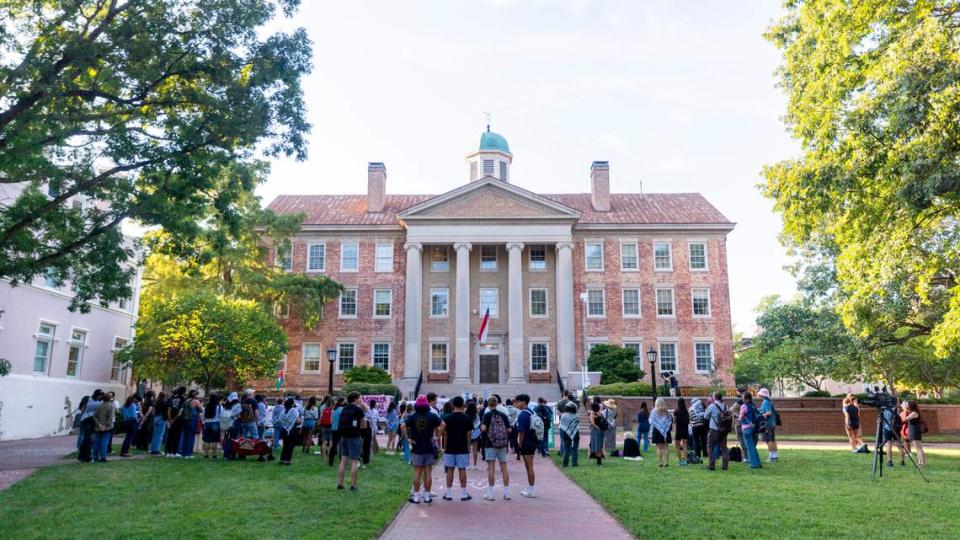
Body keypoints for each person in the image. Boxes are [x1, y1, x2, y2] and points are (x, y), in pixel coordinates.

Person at [403, 395, 441, 503]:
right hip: (429, 447)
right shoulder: (432, 416)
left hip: (417, 447)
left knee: (417, 473)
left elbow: (402, 426)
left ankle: (415, 496)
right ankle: (427, 496)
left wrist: (408, 439)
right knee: (428, 473)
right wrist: (437, 437)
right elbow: (442, 424)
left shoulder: (413, 416)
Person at [439, 396, 473, 501]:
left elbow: (444, 434)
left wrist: (443, 446)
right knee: (462, 469)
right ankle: (463, 493)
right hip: (462, 447)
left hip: (450, 447)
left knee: (450, 470)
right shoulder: (467, 418)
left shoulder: (447, 418)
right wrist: (469, 446)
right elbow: (469, 434)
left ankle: (448, 493)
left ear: (453, 405)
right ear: (463, 405)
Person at [481, 396, 512, 500]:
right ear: (497, 404)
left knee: (491, 468)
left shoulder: (487, 415)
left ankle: (491, 493)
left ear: (488, 405)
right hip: (502, 444)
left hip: (490, 444)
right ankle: (507, 493)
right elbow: (509, 430)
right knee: (504, 468)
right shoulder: (502, 415)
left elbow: (484, 428)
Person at [337, 393, 366, 490]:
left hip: (343, 436)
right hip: (354, 437)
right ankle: (353, 485)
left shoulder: (344, 408)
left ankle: (340, 483)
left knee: (343, 460)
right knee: (354, 461)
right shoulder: (358, 410)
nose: (360, 400)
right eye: (360, 398)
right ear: (355, 399)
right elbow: (364, 424)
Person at [513, 394, 538, 497]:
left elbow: (521, 432)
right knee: (528, 466)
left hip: (526, 442)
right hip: (532, 441)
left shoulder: (523, 415)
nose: (516, 404)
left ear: (523, 402)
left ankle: (532, 490)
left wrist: (519, 444)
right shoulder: (531, 412)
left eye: (518, 401)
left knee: (529, 467)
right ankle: (530, 487)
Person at [705, 392, 729, 471]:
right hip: (724, 430)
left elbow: (706, 416)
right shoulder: (725, 405)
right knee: (724, 448)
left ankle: (711, 465)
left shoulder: (712, 406)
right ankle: (725, 466)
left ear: (714, 397)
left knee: (710, 446)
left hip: (714, 429)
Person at [739, 391, 762, 468]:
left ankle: (754, 464)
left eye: (743, 398)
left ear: (747, 399)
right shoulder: (753, 405)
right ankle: (758, 462)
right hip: (753, 427)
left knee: (749, 447)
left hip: (746, 428)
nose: (742, 400)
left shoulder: (743, 406)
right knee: (752, 446)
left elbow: (740, 417)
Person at [92, 392, 116, 462]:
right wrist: (105, 426)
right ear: (110, 399)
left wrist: (99, 424)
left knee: (97, 442)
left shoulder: (99, 406)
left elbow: (94, 416)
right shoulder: (111, 406)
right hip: (107, 427)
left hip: (98, 427)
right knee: (105, 442)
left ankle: (95, 457)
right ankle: (103, 457)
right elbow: (110, 418)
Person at [757, 388, 779, 462]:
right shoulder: (768, 401)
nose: (758, 395)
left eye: (759, 394)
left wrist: (762, 415)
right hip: (772, 423)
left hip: (767, 424)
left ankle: (771, 457)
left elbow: (769, 412)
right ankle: (775, 456)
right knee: (772, 440)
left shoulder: (765, 402)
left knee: (768, 440)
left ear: (762, 395)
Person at [650, 397, 673, 467]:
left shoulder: (653, 411)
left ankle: (660, 463)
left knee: (658, 448)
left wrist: (650, 432)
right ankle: (666, 463)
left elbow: (651, 422)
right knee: (666, 447)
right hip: (666, 431)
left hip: (657, 430)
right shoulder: (667, 412)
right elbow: (670, 421)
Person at [278, 397, 301, 466]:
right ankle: (287, 460)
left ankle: (282, 459)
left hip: (284, 429)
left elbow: (280, 419)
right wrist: (300, 421)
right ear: (292, 403)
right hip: (292, 429)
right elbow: (298, 420)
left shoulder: (283, 410)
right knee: (291, 445)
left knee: (285, 445)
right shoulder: (294, 410)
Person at [902, 401, 926, 466]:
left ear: (911, 406)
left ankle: (922, 463)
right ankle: (921, 462)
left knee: (918, 447)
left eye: (907, 405)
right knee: (918, 448)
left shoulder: (914, 413)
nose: (907, 406)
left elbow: (905, 420)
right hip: (914, 430)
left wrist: (904, 410)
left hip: (915, 431)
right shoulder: (913, 412)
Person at [178, 392, 202, 459]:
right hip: (192, 419)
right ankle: (188, 453)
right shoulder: (196, 401)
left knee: (185, 436)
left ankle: (183, 453)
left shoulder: (186, 401)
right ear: (195, 396)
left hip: (184, 420)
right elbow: (201, 410)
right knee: (191, 437)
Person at [164, 387, 186, 457]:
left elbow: (169, 409)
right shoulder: (182, 399)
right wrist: (174, 419)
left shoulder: (172, 398)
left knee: (170, 435)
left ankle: (168, 451)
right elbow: (180, 410)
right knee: (176, 436)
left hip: (170, 418)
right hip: (178, 420)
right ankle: (174, 452)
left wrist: (170, 419)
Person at [200, 394, 222, 458]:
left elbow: (203, 416)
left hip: (207, 423)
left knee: (207, 440)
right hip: (215, 422)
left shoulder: (207, 406)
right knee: (214, 440)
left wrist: (204, 421)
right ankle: (214, 454)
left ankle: (206, 454)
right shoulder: (219, 406)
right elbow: (222, 415)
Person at [559, 402, 580, 467]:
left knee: (566, 448)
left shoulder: (563, 415)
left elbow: (562, 426)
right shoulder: (577, 415)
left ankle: (565, 463)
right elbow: (576, 425)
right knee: (575, 448)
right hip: (576, 433)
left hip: (565, 433)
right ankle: (574, 463)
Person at [673, 397, 690, 465]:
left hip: (678, 430)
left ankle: (680, 461)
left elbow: (674, 421)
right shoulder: (686, 411)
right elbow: (689, 420)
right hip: (685, 430)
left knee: (677, 446)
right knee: (685, 446)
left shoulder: (676, 411)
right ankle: (685, 461)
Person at [328, 397, 345, 466]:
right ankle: (341, 461)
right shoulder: (343, 409)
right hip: (340, 429)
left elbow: (331, 421)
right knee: (341, 445)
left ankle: (330, 461)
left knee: (334, 445)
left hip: (333, 429)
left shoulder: (333, 409)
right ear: (342, 402)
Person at [466, 401, 482, 470]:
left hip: (467, 434)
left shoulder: (465, 415)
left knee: (468, 449)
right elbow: (478, 424)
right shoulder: (477, 415)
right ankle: (475, 465)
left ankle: (467, 465)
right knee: (475, 450)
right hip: (475, 434)